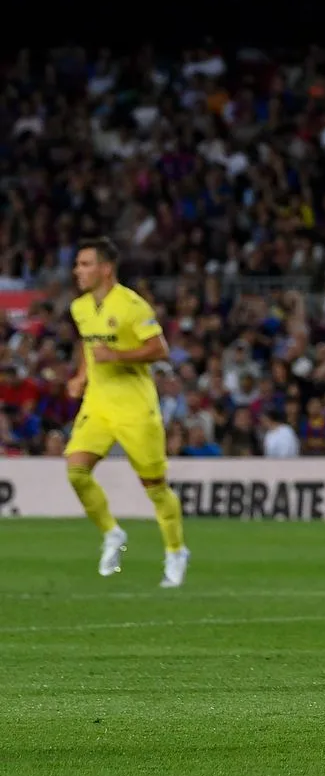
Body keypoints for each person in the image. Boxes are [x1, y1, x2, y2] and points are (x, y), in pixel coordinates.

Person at [65, 237, 189, 587]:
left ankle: (176, 551)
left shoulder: (133, 305)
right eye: (77, 264)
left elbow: (159, 348)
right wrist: (80, 376)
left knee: (155, 487)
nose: (78, 270)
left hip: (135, 406)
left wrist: (117, 356)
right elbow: (89, 344)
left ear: (106, 269)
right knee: (76, 471)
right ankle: (112, 533)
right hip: (99, 404)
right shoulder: (80, 307)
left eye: (85, 264)